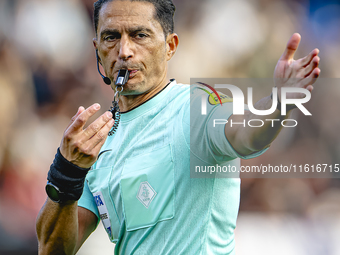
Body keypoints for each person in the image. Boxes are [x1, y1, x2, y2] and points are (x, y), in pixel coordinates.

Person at [36, 0, 320, 254]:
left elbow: (246, 136)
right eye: (111, 37)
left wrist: (279, 103)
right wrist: (66, 172)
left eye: (140, 35)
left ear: (170, 46)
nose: (124, 51)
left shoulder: (197, 105)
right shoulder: (95, 144)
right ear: (97, 49)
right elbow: (53, 248)